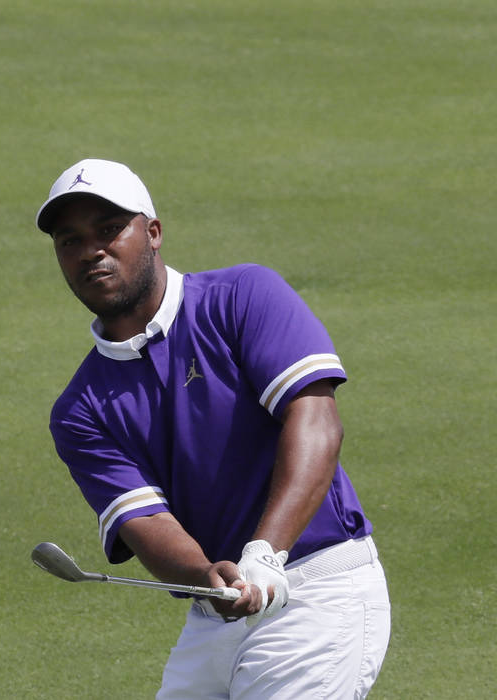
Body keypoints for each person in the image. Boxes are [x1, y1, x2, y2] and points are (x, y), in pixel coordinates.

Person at [36, 158, 391, 699]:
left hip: (317, 590)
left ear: (152, 233)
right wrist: (207, 577)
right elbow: (145, 521)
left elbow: (317, 420)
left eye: (109, 230)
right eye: (71, 240)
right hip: (214, 620)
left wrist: (266, 554)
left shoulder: (244, 297)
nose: (91, 251)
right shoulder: (80, 408)